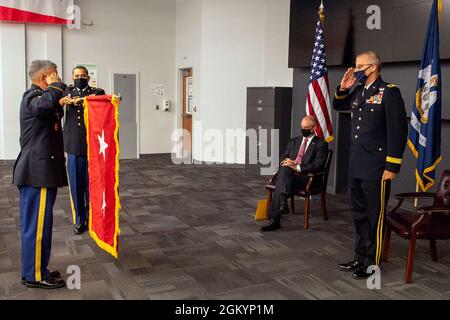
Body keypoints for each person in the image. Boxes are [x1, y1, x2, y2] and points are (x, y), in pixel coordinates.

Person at [333, 51, 408, 279]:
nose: (355, 71)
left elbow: (398, 131)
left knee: (375, 215)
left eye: (359, 67)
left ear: (372, 68)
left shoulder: (389, 92)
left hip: (377, 167)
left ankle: (372, 262)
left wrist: (392, 166)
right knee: (358, 213)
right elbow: (339, 106)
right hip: (357, 164)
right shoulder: (358, 91)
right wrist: (343, 87)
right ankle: (360, 256)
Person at [13, 60, 67, 289]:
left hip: (39, 172)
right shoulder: (32, 97)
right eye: (54, 75)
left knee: (40, 225)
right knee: (36, 227)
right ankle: (34, 275)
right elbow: (43, 107)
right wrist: (57, 88)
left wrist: (59, 98)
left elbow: (50, 112)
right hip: (37, 173)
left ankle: (37, 268)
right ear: (46, 77)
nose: (57, 78)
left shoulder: (41, 98)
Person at [261, 115, 329, 232]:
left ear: (314, 128)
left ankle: (275, 219)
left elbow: (317, 165)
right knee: (284, 169)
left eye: (306, 127)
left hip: (306, 178)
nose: (303, 129)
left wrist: (297, 167)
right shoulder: (294, 141)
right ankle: (283, 203)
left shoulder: (321, 144)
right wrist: (287, 162)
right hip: (288, 175)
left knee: (281, 181)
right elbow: (284, 156)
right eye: (302, 127)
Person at [59, 66, 105, 235]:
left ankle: (93, 217)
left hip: (92, 144)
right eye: (77, 75)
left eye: (83, 75)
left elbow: (97, 100)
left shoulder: (97, 91)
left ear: (88, 76)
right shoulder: (66, 90)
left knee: (92, 184)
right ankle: (80, 219)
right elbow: (59, 104)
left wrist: (81, 100)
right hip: (73, 144)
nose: (80, 78)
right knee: (76, 185)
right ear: (72, 77)